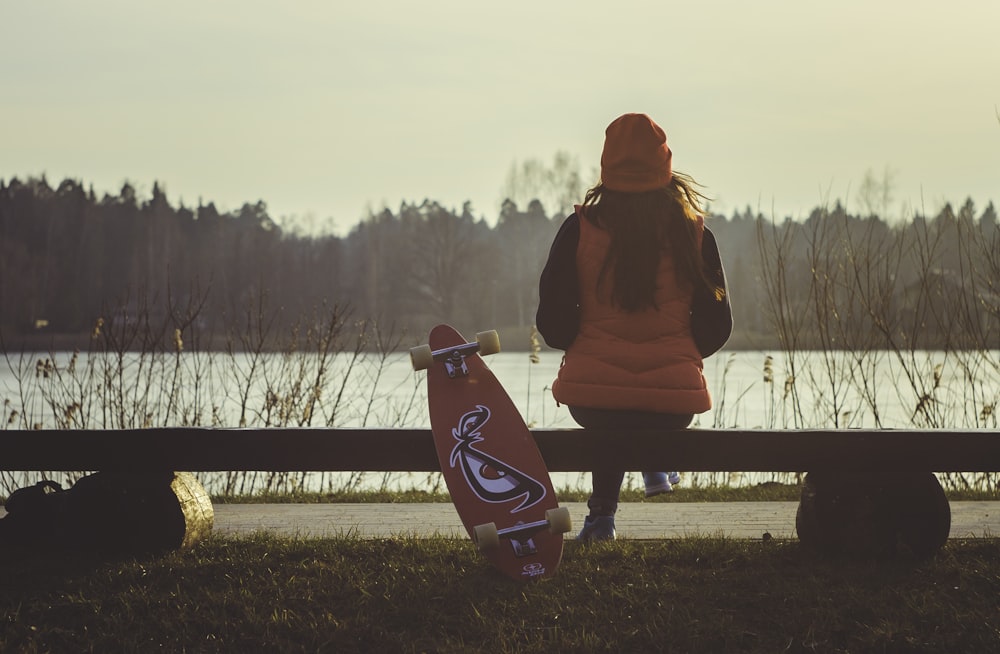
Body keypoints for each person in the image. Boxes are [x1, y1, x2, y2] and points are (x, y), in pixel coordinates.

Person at [536, 113, 733, 541]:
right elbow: (719, 327)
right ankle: (654, 461)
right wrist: (678, 353)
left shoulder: (579, 230)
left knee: (615, 410)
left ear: (607, 170)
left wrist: (585, 342)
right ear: (665, 169)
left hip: (592, 400)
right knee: (640, 406)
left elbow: (551, 325)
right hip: (673, 403)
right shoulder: (696, 236)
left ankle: (602, 517)